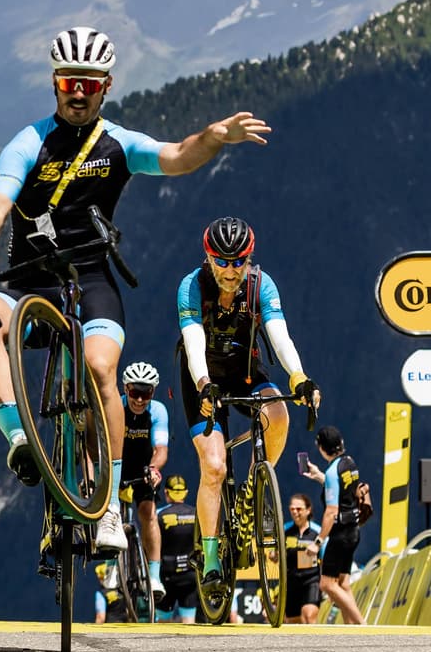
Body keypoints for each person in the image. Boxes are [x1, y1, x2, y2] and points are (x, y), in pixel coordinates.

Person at [0, 25, 272, 556]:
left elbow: (176, 156)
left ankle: (107, 504)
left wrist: (214, 138)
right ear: (55, 84)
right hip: (31, 277)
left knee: (101, 367)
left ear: (105, 87)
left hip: (91, 281)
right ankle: (19, 438)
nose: (78, 93)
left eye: (89, 83)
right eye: (69, 82)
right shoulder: (30, 141)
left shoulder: (118, 144)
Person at [175, 216, 319, 599]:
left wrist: (299, 376)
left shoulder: (261, 285)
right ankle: (209, 561)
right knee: (214, 467)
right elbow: (193, 341)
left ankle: (257, 486)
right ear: (208, 258)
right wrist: (204, 385)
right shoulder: (192, 286)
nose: (230, 270)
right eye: (222, 261)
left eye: (239, 261)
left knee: (278, 414)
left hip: (245, 372)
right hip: (202, 379)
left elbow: (279, 334)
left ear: (249, 258)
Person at [117, 360, 171, 605]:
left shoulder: (157, 411)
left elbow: (160, 449)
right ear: (125, 388)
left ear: (153, 392)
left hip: (143, 467)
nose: (139, 400)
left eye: (146, 393)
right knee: (108, 512)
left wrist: (153, 468)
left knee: (148, 513)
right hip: (116, 466)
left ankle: (155, 576)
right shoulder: (115, 407)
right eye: (134, 392)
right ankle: (112, 565)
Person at [311, 425, 367, 625]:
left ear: (321, 448)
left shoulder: (332, 472)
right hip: (353, 530)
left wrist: (318, 542)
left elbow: (331, 512)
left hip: (340, 533)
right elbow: (344, 490)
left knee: (327, 584)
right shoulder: (349, 463)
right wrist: (321, 477)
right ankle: (351, 628)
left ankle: (362, 625)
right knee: (343, 583)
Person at [153, 474, 199, 623]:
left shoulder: (158, 515)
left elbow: (151, 545)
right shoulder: (196, 514)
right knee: (189, 622)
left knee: (163, 622)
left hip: (167, 575)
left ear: (166, 492)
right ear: (185, 493)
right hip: (190, 575)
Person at [284, 491, 324, 624]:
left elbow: (325, 558)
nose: (295, 512)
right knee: (292, 621)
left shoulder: (318, 532)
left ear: (308, 510)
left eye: (299, 509)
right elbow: (275, 553)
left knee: (309, 615)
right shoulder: (285, 530)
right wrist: (275, 555)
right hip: (291, 581)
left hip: (311, 580)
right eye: (292, 509)